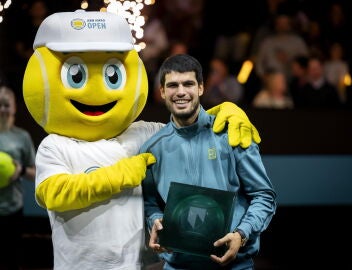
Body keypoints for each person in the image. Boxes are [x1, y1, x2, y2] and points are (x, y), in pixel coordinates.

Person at [22, 10, 261, 270]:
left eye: (112, 75)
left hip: (138, 265)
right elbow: (54, 193)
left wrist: (225, 111)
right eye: (77, 75)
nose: (98, 90)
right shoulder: (55, 145)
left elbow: (187, 125)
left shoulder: (142, 133)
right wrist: (119, 175)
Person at [140, 54, 277, 270]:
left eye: (188, 84)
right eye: (173, 85)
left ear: (201, 88)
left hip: (235, 265)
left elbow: (263, 195)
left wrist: (241, 235)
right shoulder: (151, 149)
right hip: (178, 265)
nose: (181, 92)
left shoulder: (232, 134)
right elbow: (149, 203)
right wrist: (154, 220)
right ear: (162, 92)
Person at [0, 85, 36, 270]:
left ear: (14, 107)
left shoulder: (22, 137)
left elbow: (37, 173)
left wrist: (20, 170)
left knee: (13, 259)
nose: (2, 109)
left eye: (6, 105)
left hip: (13, 208)